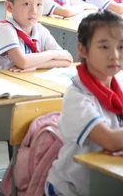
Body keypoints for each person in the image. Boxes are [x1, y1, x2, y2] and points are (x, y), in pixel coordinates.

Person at [46, 10, 123, 196]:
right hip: (72, 189)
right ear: (82, 49)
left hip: (107, 178)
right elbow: (111, 141)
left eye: (121, 46)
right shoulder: (77, 97)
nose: (115, 55)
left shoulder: (118, 86)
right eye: (104, 47)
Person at [0, 0, 73, 71]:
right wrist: (54, 54)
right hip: (5, 82)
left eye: (39, 4)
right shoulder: (5, 28)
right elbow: (23, 62)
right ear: (9, 6)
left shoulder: (39, 29)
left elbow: (67, 60)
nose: (34, 11)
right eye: (26, 4)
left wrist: (36, 66)